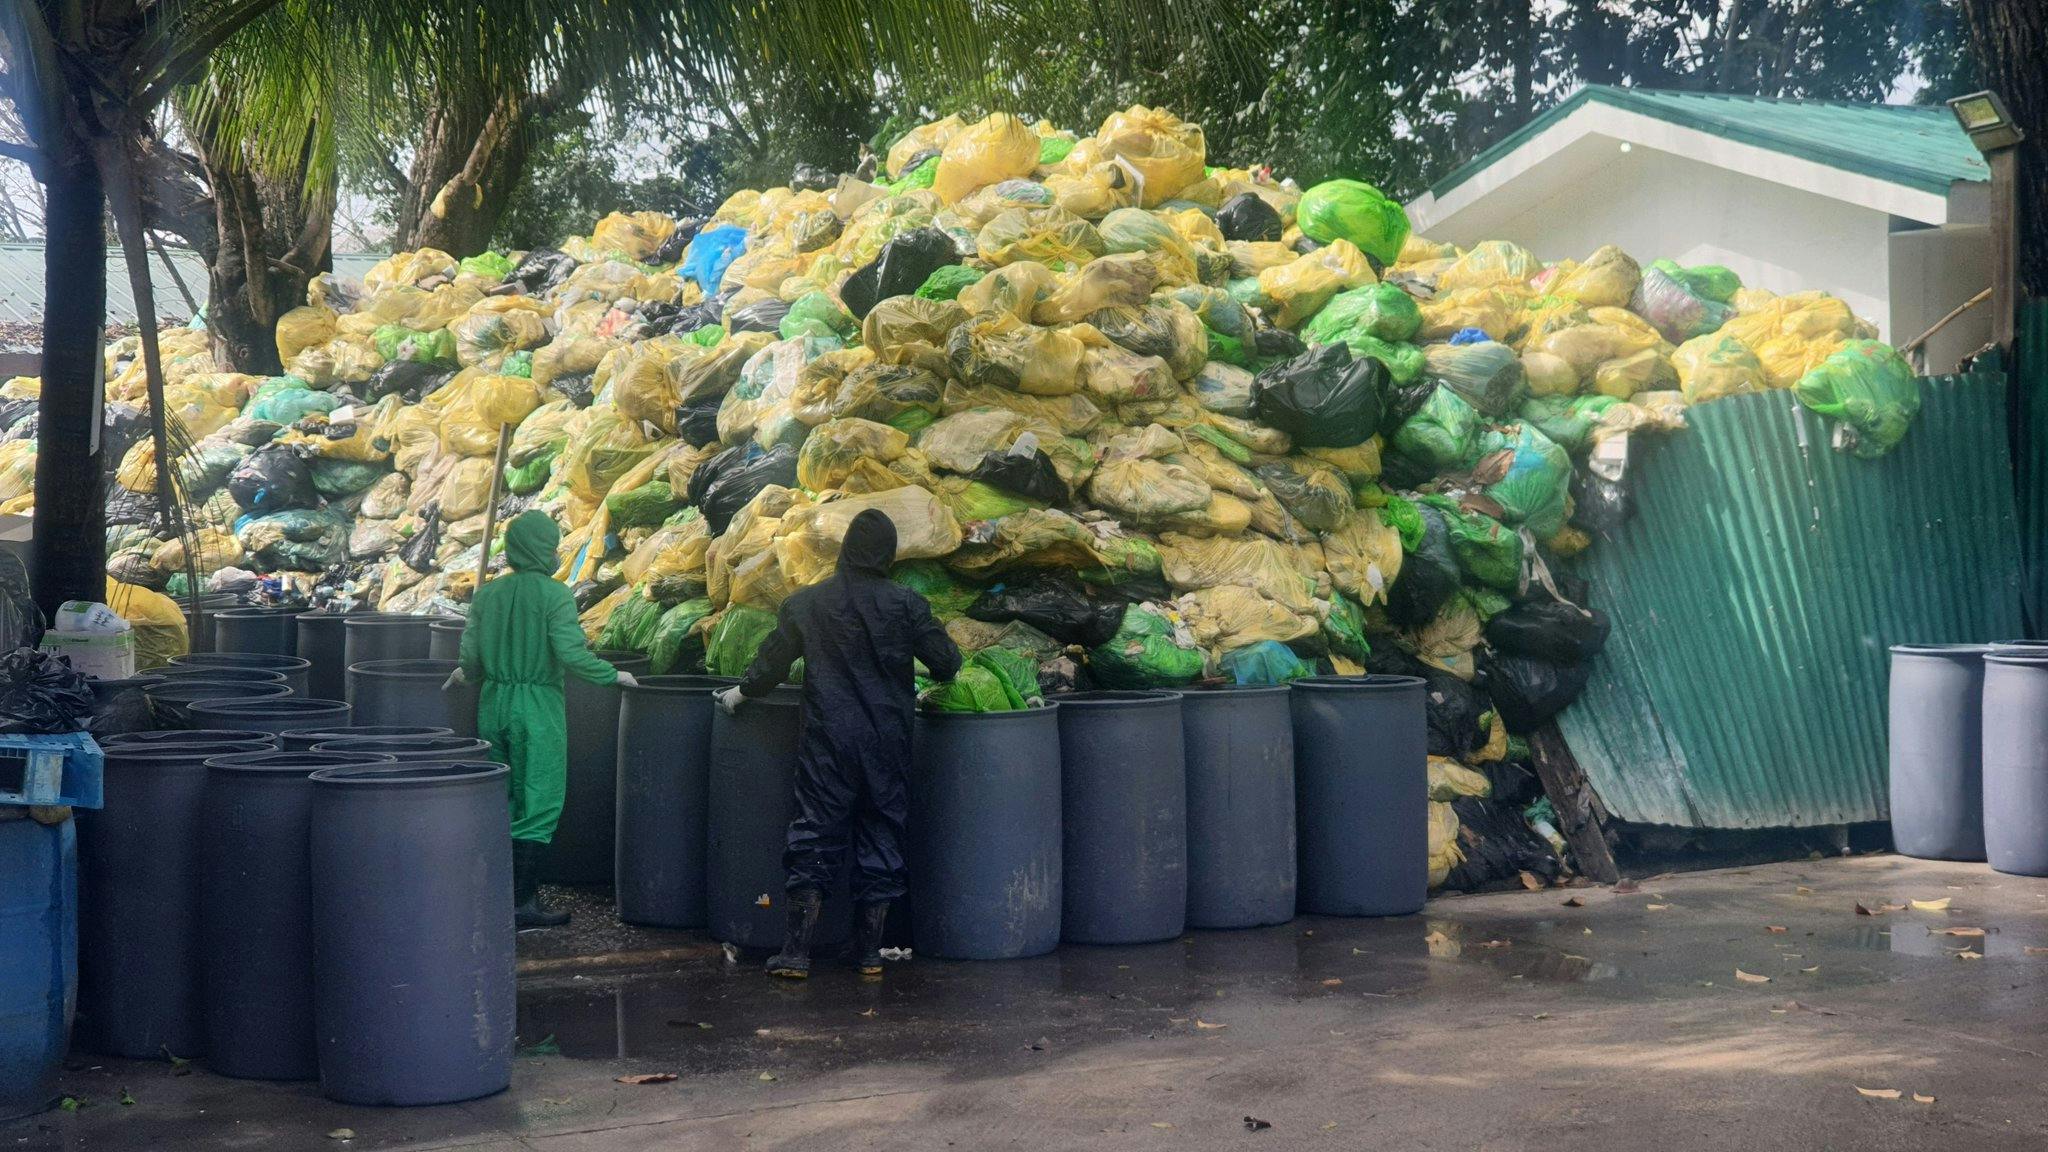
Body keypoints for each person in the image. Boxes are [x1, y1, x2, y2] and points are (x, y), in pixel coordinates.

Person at [717, 508, 960, 978]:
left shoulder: (808, 604)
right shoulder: (907, 605)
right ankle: (869, 953)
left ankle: (796, 953)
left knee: (814, 832)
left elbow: (771, 665)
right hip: (887, 741)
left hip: (828, 739)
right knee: (881, 833)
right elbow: (947, 663)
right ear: (889, 554)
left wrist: (742, 692)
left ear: (845, 549)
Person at [451, 511, 635, 929]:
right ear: (541, 549)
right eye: (552, 546)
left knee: (501, 795)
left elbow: (471, 657)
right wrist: (612, 675)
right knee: (539, 798)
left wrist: (466, 674)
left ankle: (496, 896)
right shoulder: (555, 595)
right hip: (536, 707)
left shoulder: (487, 595)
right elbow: (570, 653)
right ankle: (523, 903)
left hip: (493, 703)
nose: (555, 554)